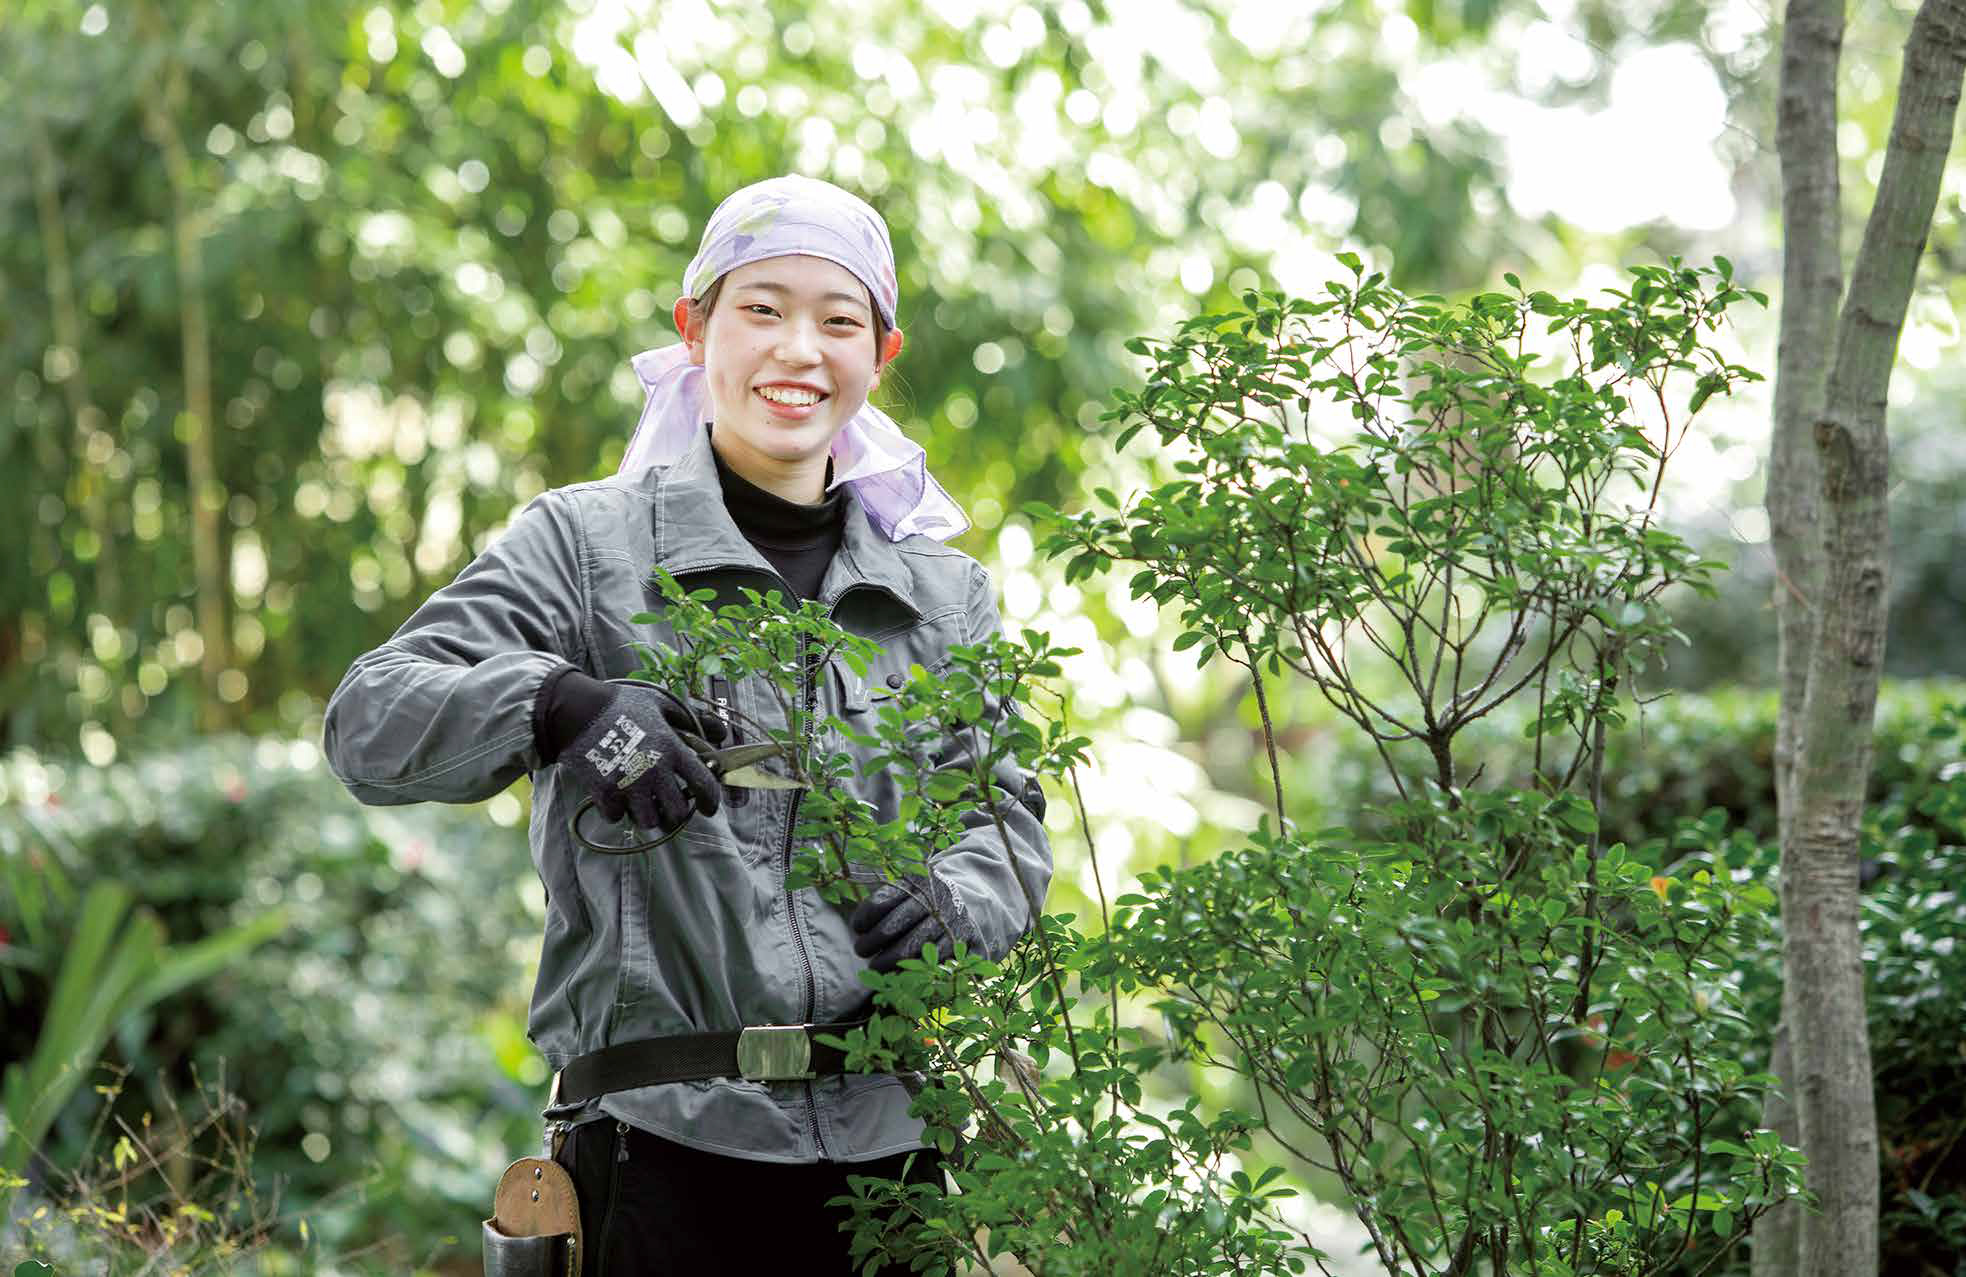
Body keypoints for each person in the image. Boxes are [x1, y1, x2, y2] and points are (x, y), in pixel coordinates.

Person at [321, 175, 1053, 1274]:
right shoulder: (582, 546)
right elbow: (369, 717)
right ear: (695, 328)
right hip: (658, 1155)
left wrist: (964, 900)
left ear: (881, 353)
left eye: (837, 319)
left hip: (892, 1164)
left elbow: (1004, 811)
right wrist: (559, 702)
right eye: (761, 308)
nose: (797, 348)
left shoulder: (942, 595)